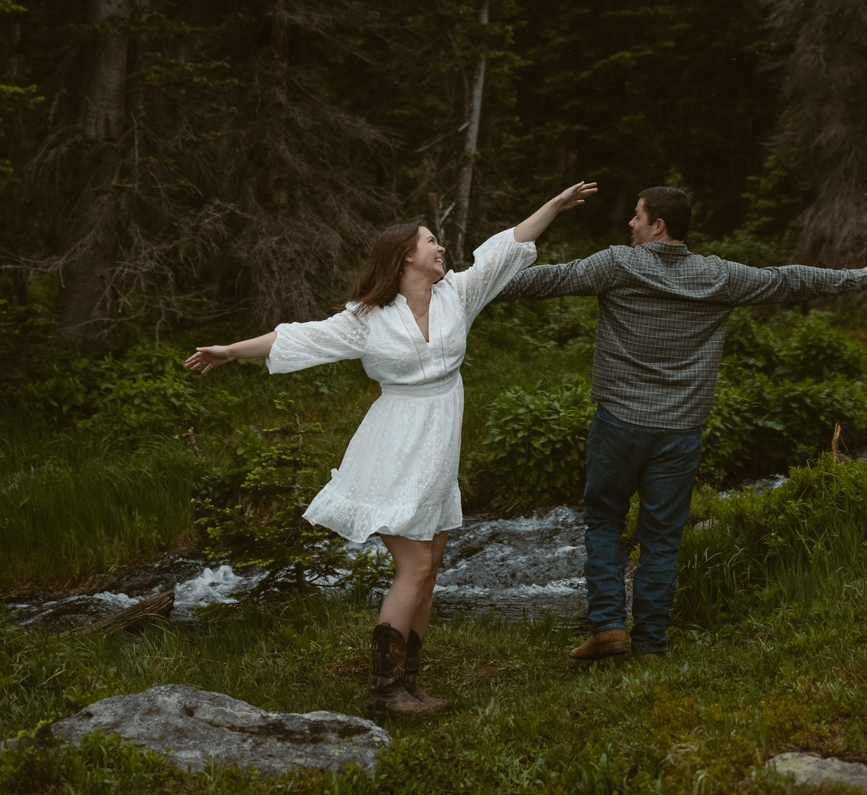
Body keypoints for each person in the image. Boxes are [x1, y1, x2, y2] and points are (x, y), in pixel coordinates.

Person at [183, 180, 599, 714]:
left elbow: (506, 246)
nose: (441, 247)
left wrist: (555, 206)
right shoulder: (367, 319)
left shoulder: (459, 295)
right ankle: (383, 689)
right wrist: (229, 350)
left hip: (439, 446)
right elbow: (296, 337)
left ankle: (410, 681)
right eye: (432, 241)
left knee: (431, 565)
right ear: (407, 256)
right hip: (394, 447)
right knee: (416, 567)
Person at [491, 185, 867, 661]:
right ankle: (650, 646)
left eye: (637, 217)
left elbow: (542, 282)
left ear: (657, 226)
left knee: (604, 520)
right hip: (681, 430)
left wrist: (458, 285)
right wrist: (858, 277)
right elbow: (788, 281)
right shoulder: (717, 275)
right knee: (661, 538)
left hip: (619, 422)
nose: (630, 224)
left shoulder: (617, 263)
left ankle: (607, 626)